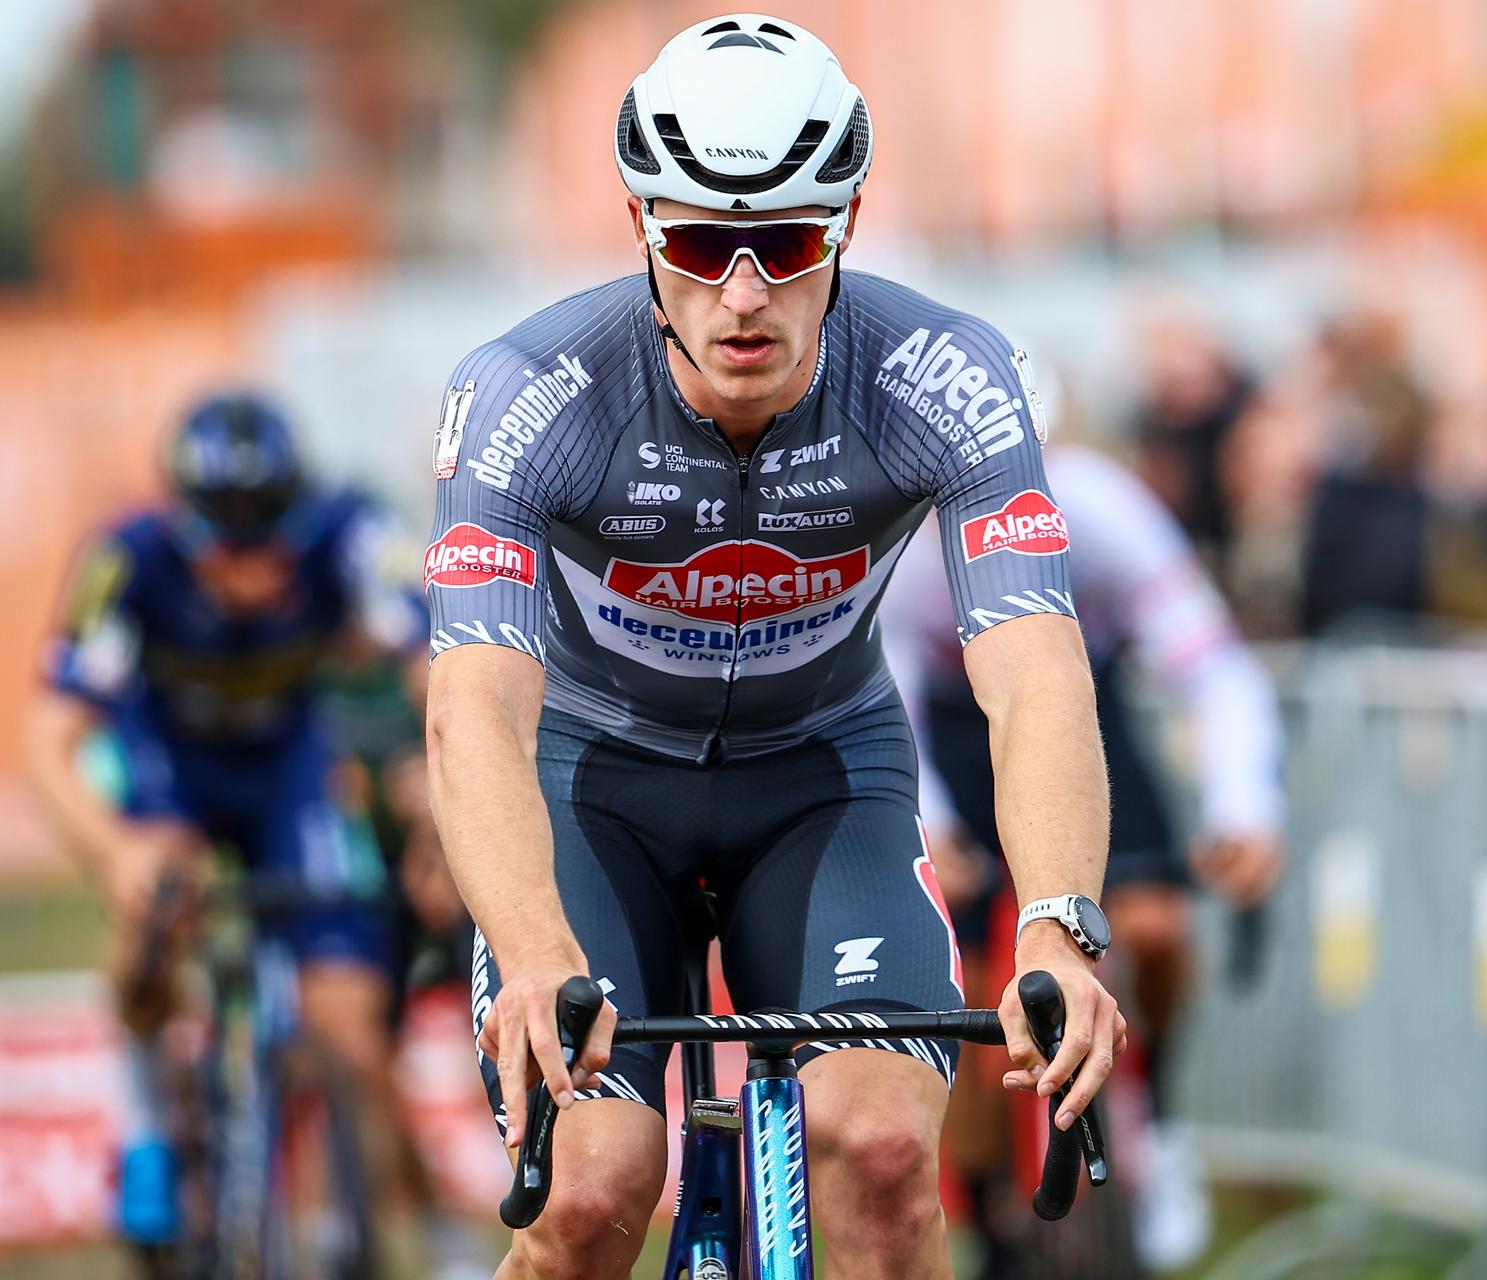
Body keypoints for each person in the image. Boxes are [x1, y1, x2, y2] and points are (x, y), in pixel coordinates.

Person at [423, 15, 1126, 1280]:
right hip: (596, 791)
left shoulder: (945, 376)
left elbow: (1033, 668)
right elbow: (472, 705)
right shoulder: (531, 394)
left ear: (847, 222)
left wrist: (1060, 927)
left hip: (822, 782)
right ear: (643, 224)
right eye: (699, 244)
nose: (743, 295)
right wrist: (531, 949)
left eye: (788, 244)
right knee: (586, 1198)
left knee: (887, 1157)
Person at [23, 393, 429, 1254]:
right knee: (155, 902)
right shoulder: (124, 560)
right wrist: (115, 849)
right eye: (226, 545)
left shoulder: (348, 531)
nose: (249, 570)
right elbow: (47, 736)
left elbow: (438, 663)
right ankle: (145, 1125)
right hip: (167, 765)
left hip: (287, 766)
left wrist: (441, 782)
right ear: (183, 522)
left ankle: (338, 1225)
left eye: (267, 540)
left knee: (350, 1021)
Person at [883, 442, 1286, 1273]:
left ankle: (1159, 1118)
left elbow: (1212, 668)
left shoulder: (1099, 505)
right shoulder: (903, 537)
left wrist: (1242, 806)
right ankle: (994, 1220)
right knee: (976, 984)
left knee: (1158, 927)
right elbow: (890, 697)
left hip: (1076, 708)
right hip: (952, 730)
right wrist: (925, 818)